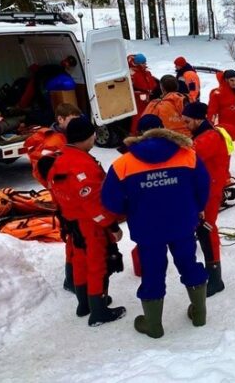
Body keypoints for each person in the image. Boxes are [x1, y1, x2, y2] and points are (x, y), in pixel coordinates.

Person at [101, 117, 210, 339]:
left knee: (152, 272)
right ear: (162, 130)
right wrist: (196, 207)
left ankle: (153, 324)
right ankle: (199, 314)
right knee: (189, 264)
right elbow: (204, 184)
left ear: (140, 134)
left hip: (147, 229)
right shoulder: (188, 155)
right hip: (183, 224)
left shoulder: (123, 163)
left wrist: (130, 207)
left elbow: (110, 200)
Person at [46, 117, 126, 326]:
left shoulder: (59, 158)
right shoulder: (82, 165)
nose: (94, 139)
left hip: (72, 221)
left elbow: (53, 190)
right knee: (98, 263)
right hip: (90, 224)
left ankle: (84, 303)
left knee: (80, 261)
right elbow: (93, 202)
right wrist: (112, 226)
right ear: (86, 137)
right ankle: (99, 311)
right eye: (93, 135)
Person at [24, 102, 82, 292]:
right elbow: (46, 173)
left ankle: (75, 278)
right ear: (61, 119)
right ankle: (74, 280)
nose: (76, 124)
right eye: (72, 120)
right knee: (75, 236)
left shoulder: (63, 137)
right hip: (66, 197)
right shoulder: (54, 143)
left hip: (67, 195)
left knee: (75, 236)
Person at [182, 102, 235, 297]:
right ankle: (212, 273)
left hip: (209, 192)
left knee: (207, 230)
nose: (185, 124)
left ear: (197, 119)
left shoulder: (209, 138)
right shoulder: (205, 134)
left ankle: (215, 279)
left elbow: (187, 158)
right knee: (204, 229)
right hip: (206, 188)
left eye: (187, 121)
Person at [128, 54, 160, 134]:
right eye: (143, 63)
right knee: (138, 117)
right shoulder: (132, 74)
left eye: (145, 62)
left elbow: (152, 84)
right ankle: (136, 133)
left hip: (147, 97)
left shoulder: (146, 72)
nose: (145, 64)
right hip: (138, 99)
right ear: (138, 63)